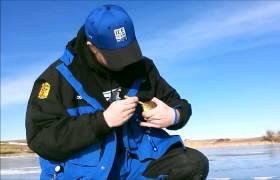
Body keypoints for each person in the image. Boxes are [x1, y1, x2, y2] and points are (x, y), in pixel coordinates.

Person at [26, 4, 209, 180]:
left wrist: (173, 115)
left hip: (135, 167)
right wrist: (103, 121)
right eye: (115, 56)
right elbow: (41, 139)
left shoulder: (143, 68)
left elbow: (179, 104)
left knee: (192, 164)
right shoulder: (56, 79)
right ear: (91, 46)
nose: (125, 62)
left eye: (128, 51)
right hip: (87, 174)